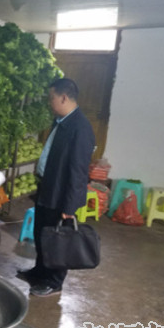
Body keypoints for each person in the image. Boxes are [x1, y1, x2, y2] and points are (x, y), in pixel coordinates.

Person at [18, 78, 95, 297]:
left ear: (63, 98)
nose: (49, 102)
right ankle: (39, 272)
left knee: (59, 239)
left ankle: (54, 281)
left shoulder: (80, 128)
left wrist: (70, 206)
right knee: (42, 233)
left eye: (51, 98)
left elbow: (79, 171)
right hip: (48, 187)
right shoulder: (61, 121)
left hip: (61, 194)